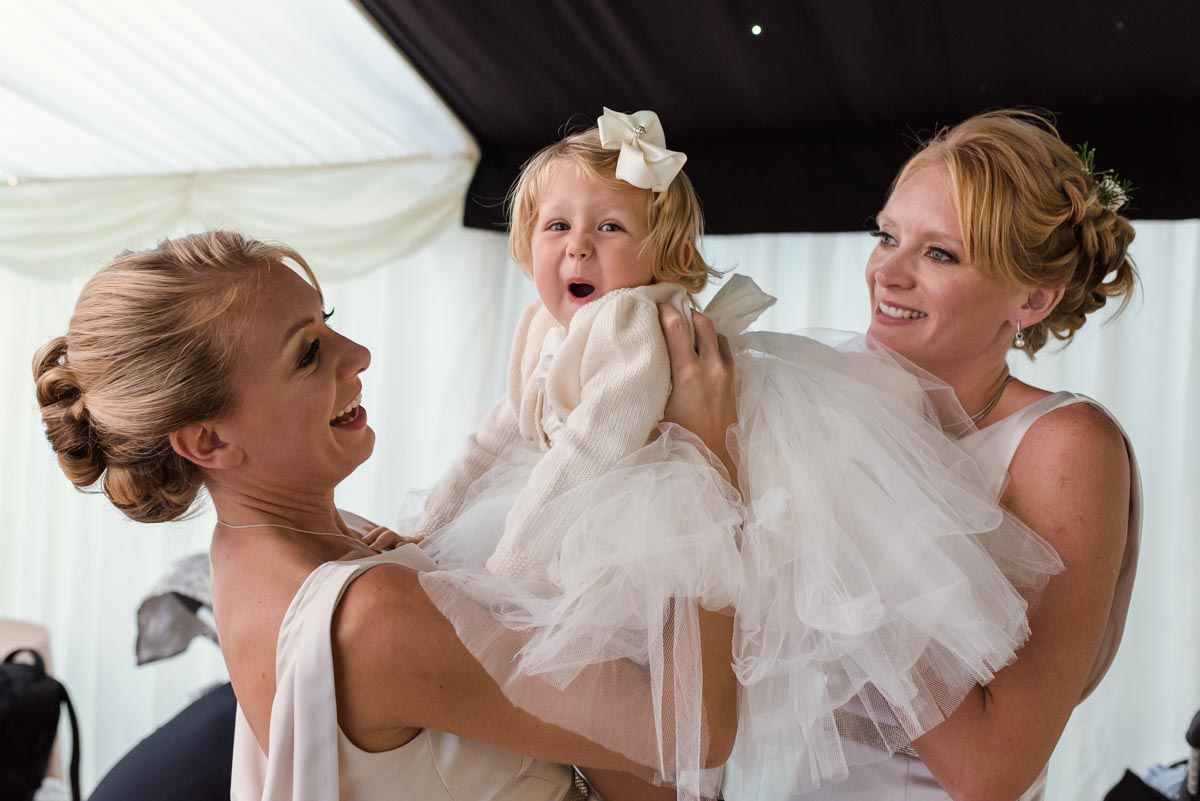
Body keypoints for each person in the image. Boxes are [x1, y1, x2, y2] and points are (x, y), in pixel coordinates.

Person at [405, 108, 1062, 799]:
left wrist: (511, 569)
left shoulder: (632, 322)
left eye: (940, 252)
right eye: (886, 235)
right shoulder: (542, 323)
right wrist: (432, 528)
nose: (575, 250)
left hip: (631, 492)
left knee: (643, 690)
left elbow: (596, 439)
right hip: (606, 501)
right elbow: (499, 432)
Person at [31, 230, 742, 801]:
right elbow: (694, 733)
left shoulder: (257, 545)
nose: (359, 354)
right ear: (210, 440)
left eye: (326, 322)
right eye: (309, 353)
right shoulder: (369, 615)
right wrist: (704, 461)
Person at [784, 110, 1141, 801]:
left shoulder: (1065, 444)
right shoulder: (834, 399)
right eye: (886, 236)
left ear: (1033, 298)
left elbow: (988, 774)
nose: (887, 271)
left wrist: (858, 510)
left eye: (939, 253)